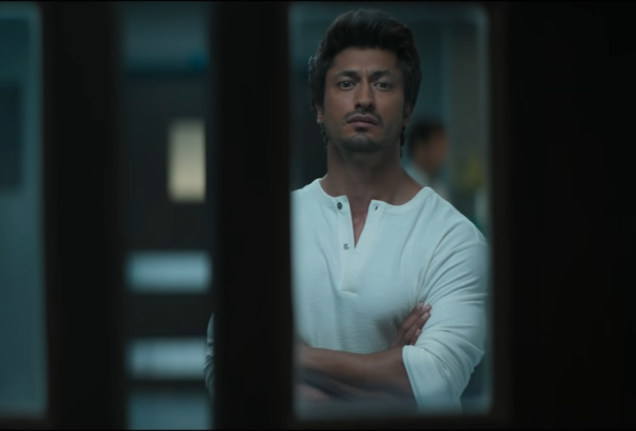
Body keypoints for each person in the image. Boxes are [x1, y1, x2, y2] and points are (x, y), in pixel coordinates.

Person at [204, 9, 488, 414]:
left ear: (408, 110)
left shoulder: (455, 239)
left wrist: (284, 357)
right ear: (319, 107)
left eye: (383, 84)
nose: (364, 98)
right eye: (346, 82)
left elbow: (436, 381)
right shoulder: (269, 228)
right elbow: (225, 367)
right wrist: (388, 378)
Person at [403, 120, 452, 202]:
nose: (443, 153)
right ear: (420, 148)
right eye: (437, 146)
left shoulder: (439, 188)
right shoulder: (401, 185)